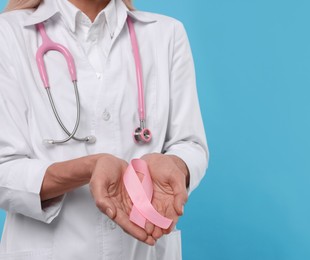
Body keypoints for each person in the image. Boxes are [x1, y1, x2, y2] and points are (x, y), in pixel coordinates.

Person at [0, 0, 208, 259]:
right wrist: (90, 167)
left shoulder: (166, 34)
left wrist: (176, 164)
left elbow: (190, 144)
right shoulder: (7, 35)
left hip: (143, 249)